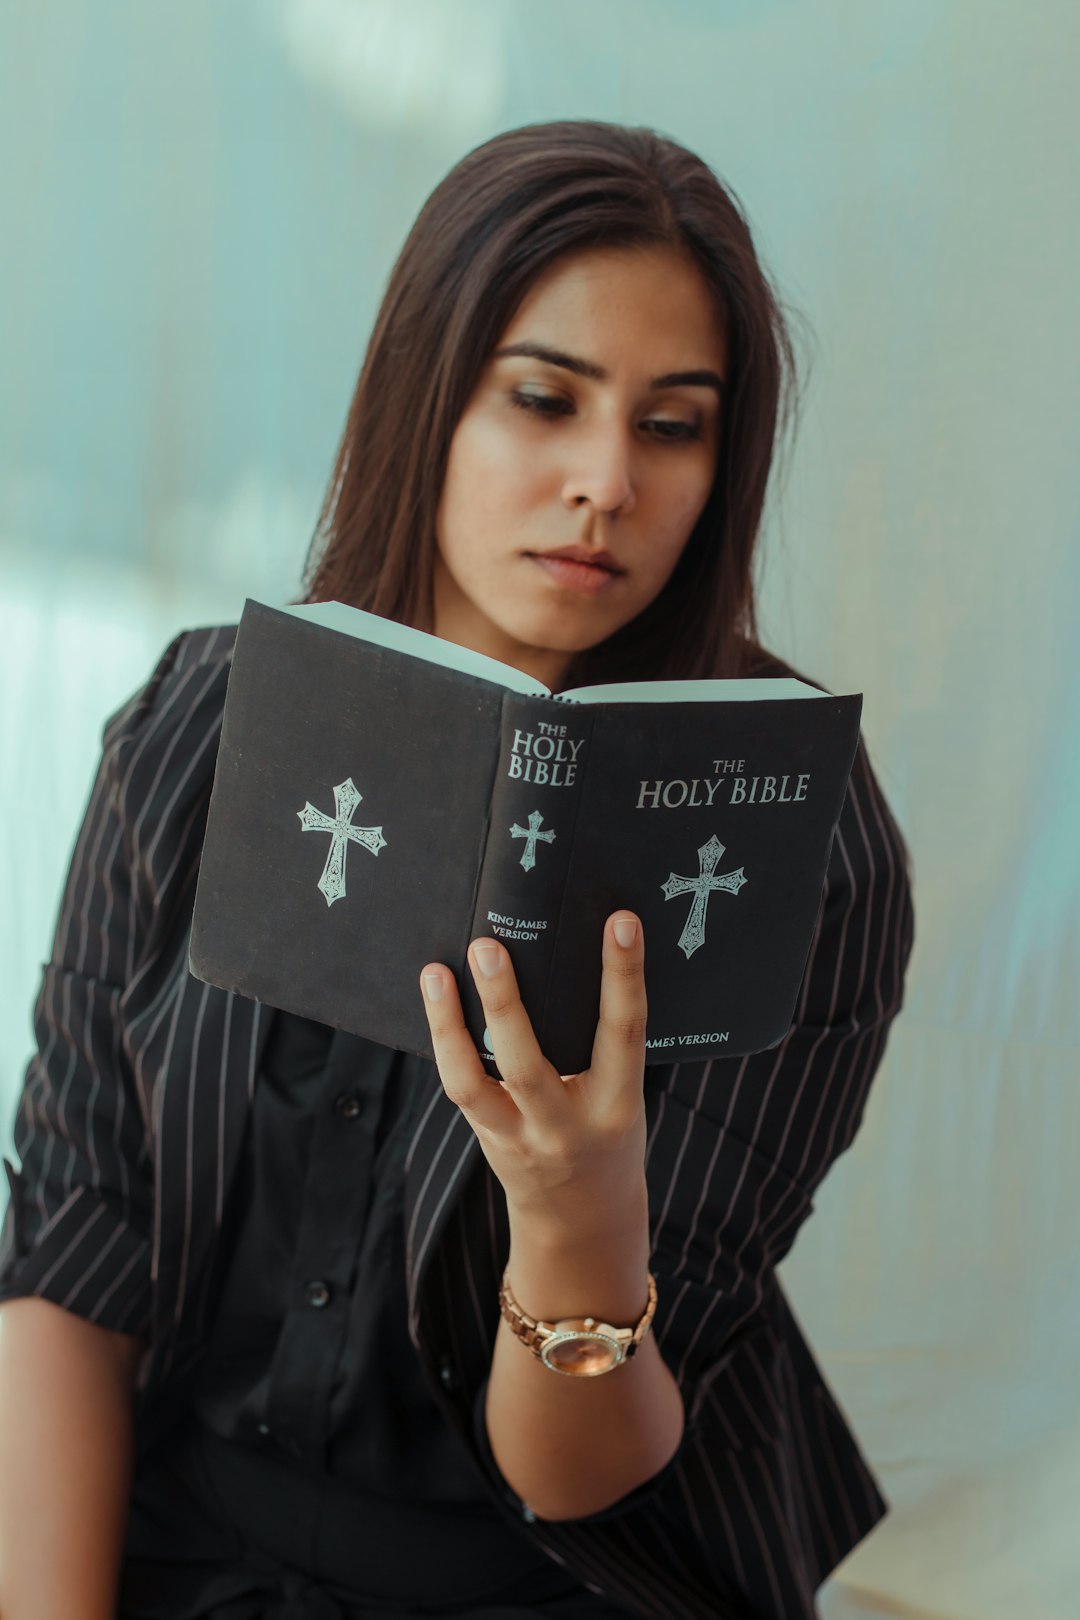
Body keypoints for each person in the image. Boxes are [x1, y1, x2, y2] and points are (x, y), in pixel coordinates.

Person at [0, 120, 915, 1620]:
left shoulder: (782, 837)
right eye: (545, 399)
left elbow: (577, 1477)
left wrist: (574, 1220)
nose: (606, 483)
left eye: (672, 425)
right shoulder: (200, 724)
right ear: (430, 393)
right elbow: (76, 1250)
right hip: (164, 1536)